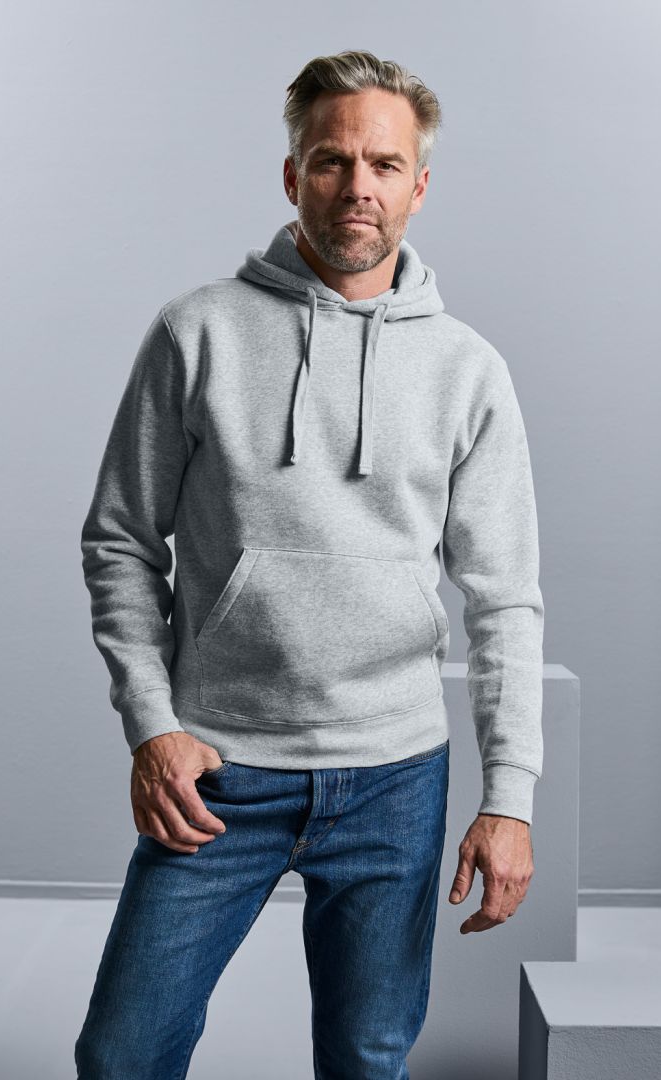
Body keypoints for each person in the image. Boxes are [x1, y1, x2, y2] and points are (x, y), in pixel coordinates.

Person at [75, 48, 543, 1080]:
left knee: (366, 1061)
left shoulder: (466, 370)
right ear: (293, 176)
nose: (356, 186)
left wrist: (507, 797)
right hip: (216, 768)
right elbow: (119, 540)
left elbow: (505, 601)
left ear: (418, 186)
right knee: (122, 1056)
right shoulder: (196, 332)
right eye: (331, 161)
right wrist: (151, 725)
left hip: (393, 776)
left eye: (383, 164)